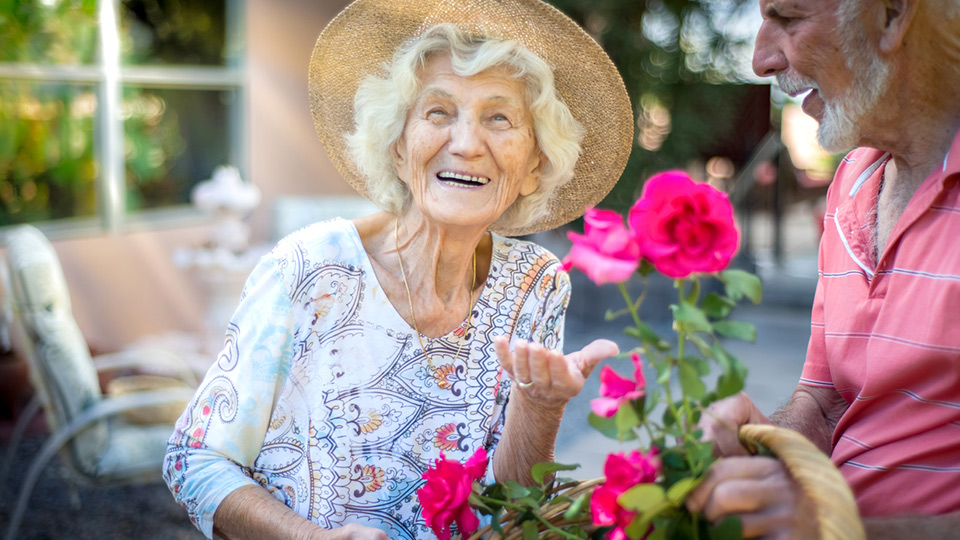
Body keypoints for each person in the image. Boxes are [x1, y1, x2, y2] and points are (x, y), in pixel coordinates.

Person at [162, 1, 635, 538]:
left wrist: (540, 405)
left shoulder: (536, 285)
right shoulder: (308, 269)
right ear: (397, 145)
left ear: (534, 166)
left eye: (499, 118)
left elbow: (511, 510)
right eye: (438, 112)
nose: (465, 143)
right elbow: (192, 461)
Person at [686, 0, 960, 537]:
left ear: (892, 15)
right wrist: (764, 444)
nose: (760, 59)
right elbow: (826, 398)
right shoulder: (853, 181)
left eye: (787, 18)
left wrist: (840, 530)